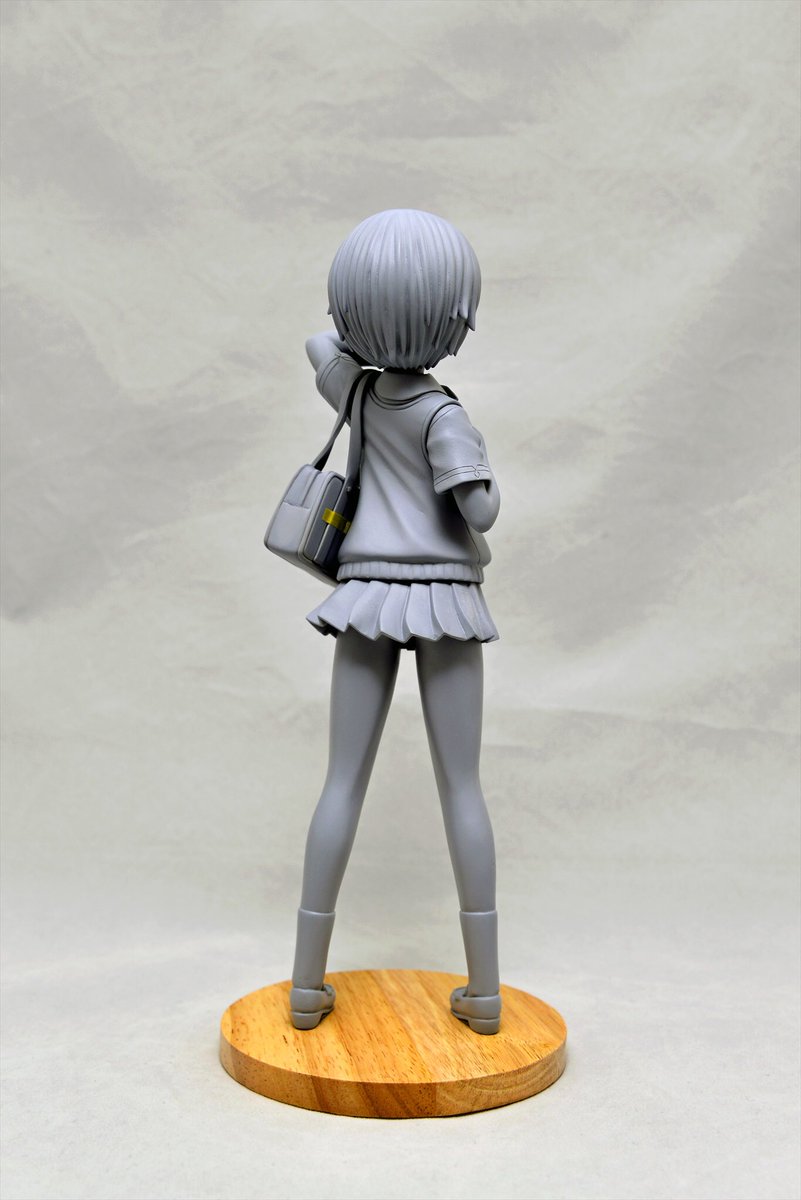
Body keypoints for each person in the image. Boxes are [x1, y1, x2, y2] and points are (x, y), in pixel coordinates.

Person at [288, 209, 503, 1035]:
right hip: (444, 597)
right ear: (453, 316)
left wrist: (359, 330)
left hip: (366, 595)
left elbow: (319, 345)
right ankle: (484, 994)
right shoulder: (443, 415)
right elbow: (480, 509)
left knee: (341, 780)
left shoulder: (360, 394)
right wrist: (477, 468)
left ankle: (306, 986)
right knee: (462, 786)